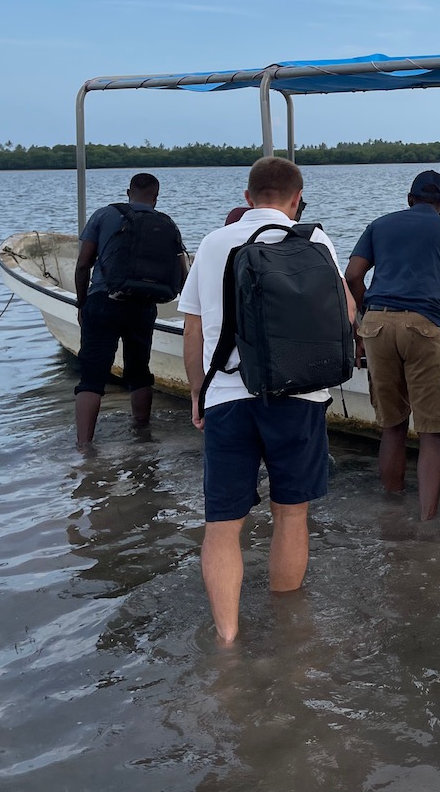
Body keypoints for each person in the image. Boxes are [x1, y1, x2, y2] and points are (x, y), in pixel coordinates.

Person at [179, 156, 356, 643]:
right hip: (299, 393)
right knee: (292, 512)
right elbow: (347, 313)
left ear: (247, 197)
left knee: (222, 523)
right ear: (298, 199)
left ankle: (228, 639)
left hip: (227, 396)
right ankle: (287, 634)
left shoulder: (214, 242)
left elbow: (192, 329)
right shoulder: (315, 240)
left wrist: (198, 391)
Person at [344, 170, 440, 520]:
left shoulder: (379, 225)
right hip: (425, 326)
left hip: (377, 325)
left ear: (409, 199)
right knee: (431, 431)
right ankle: (427, 521)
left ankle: (392, 510)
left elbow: (352, 276)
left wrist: (368, 319)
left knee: (393, 425)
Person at [73, 172, 188, 448]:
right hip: (144, 305)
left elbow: (83, 264)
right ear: (156, 197)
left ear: (128, 192)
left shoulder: (104, 215)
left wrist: (81, 303)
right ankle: (141, 433)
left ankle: (84, 446)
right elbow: (182, 273)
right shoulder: (167, 223)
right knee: (139, 371)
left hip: (103, 301)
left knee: (92, 376)